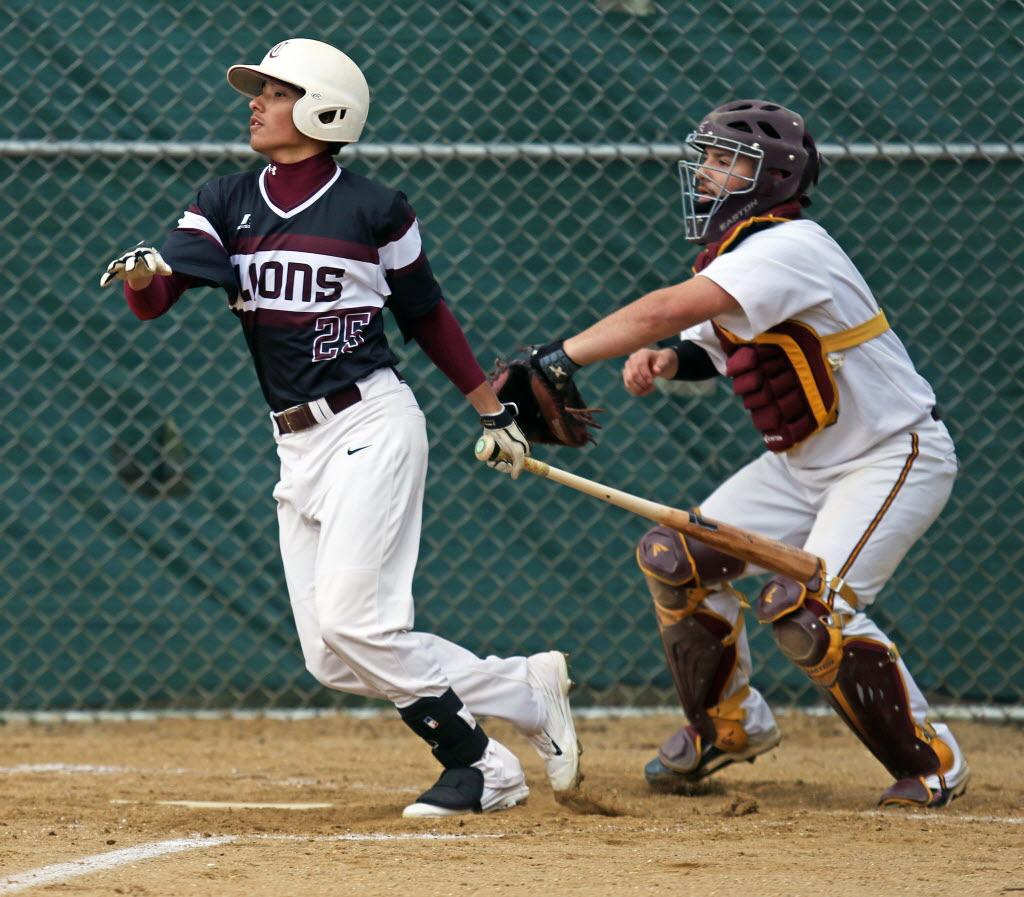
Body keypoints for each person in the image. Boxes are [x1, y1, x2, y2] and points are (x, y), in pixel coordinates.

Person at [99, 37, 580, 818]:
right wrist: (146, 277)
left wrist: (489, 407)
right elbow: (160, 297)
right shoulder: (226, 199)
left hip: (372, 423)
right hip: (296, 442)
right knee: (331, 652)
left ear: (325, 108)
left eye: (277, 91)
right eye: (259, 91)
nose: (255, 102)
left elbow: (425, 314)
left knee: (362, 621)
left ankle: (481, 764)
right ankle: (521, 688)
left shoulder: (375, 209)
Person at [513, 99, 969, 808]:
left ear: (775, 178)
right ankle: (729, 725)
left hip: (889, 456)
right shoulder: (739, 258)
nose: (709, 173)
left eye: (731, 162)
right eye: (711, 158)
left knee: (811, 610)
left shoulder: (791, 245)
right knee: (678, 557)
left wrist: (558, 357)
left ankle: (931, 762)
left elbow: (670, 308)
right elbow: (710, 346)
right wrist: (668, 363)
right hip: (800, 467)